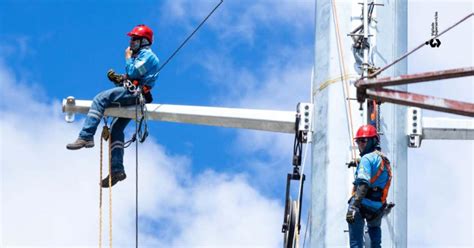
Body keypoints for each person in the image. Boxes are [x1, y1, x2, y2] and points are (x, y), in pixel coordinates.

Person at [66, 24, 160, 188]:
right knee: (116, 129)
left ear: (143, 41)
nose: (130, 43)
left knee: (100, 99)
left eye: (134, 40)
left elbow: (133, 72)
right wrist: (120, 79)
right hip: (135, 95)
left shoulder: (148, 56)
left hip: (134, 94)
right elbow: (131, 76)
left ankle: (86, 136)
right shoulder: (142, 56)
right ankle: (117, 169)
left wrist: (128, 58)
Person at [346, 124, 393, 247]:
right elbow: (375, 170)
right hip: (377, 208)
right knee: (375, 232)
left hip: (362, 204)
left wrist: (353, 208)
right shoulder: (384, 159)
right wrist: (357, 162)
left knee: (356, 242)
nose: (360, 145)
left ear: (373, 141)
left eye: (363, 141)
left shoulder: (366, 159)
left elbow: (363, 184)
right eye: (359, 142)